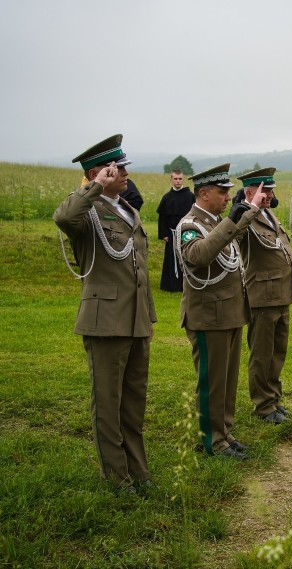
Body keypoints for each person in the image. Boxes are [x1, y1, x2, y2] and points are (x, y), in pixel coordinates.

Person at [53, 134, 156, 493]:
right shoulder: (86, 210)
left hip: (135, 321)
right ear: (100, 171)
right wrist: (93, 186)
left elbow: (138, 269)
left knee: (133, 403)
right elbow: (64, 217)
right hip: (106, 322)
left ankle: (138, 472)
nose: (126, 172)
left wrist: (148, 319)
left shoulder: (128, 208)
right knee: (107, 405)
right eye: (118, 167)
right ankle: (116, 478)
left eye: (124, 165)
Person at [177, 163, 264, 460]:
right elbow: (200, 256)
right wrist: (230, 221)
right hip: (207, 316)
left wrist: (249, 211)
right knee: (211, 381)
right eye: (222, 191)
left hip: (228, 313)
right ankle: (210, 440)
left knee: (226, 380)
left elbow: (231, 237)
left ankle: (224, 432)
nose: (228, 197)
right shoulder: (189, 225)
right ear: (203, 193)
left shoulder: (215, 222)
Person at [235, 168, 292, 425]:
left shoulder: (268, 214)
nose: (270, 195)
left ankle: (273, 400)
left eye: (271, 190)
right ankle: (262, 405)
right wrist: (249, 209)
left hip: (281, 293)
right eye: (265, 190)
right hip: (262, 294)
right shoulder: (246, 216)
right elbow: (233, 236)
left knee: (277, 351)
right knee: (262, 353)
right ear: (251, 192)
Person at [156, 170, 194, 292]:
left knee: (187, 256)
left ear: (183, 180)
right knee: (171, 259)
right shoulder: (167, 198)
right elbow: (162, 217)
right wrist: (164, 234)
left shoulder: (190, 196)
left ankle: (188, 284)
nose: (178, 181)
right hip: (171, 234)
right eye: (176, 179)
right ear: (171, 180)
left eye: (180, 179)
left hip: (187, 232)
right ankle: (171, 285)